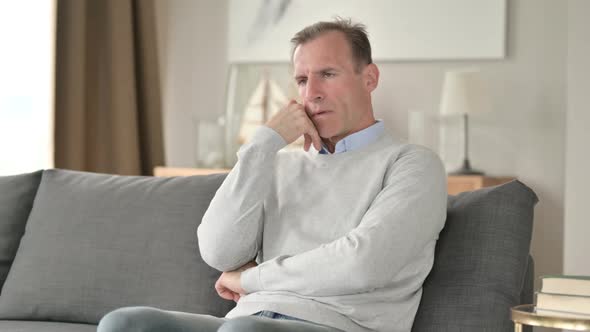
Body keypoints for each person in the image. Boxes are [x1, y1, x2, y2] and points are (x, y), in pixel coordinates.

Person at [97, 18, 447, 332]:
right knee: (124, 323)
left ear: (369, 78)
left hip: (341, 325)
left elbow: (362, 264)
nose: (312, 93)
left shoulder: (413, 164)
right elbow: (218, 252)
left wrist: (251, 279)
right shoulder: (279, 164)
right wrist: (264, 144)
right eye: (301, 79)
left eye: (327, 74)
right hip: (248, 320)